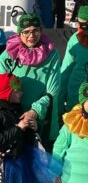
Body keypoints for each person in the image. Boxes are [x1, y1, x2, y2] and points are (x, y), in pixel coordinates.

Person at [0, 13, 61, 148]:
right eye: (26, 32)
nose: (31, 35)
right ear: (19, 33)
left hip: (40, 120)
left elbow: (53, 91)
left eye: (35, 31)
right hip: (14, 121)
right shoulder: (8, 54)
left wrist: (34, 112)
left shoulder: (52, 55)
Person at [0, 72, 61, 183]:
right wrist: (18, 128)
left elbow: (26, 135)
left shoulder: (17, 108)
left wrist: (34, 127)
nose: (22, 93)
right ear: (7, 93)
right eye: (17, 91)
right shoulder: (1, 114)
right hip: (8, 165)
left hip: (23, 159)